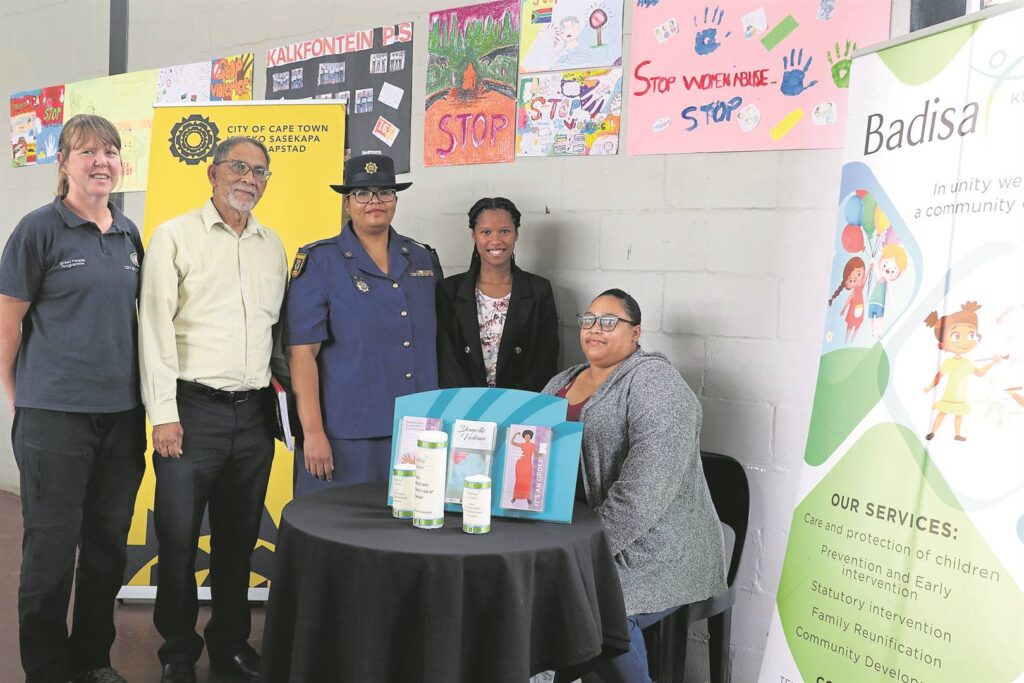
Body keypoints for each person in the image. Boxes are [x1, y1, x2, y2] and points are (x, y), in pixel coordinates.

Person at [0, 114, 144, 683]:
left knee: (107, 547)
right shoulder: (38, 230)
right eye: (87, 152)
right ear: (63, 163)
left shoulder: (129, 234)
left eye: (109, 151)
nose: (100, 162)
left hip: (122, 417)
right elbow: (7, 325)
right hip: (54, 417)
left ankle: (93, 660)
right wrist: (18, 397)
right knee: (51, 551)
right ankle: (46, 670)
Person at [139, 137, 288, 683]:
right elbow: (154, 328)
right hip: (190, 412)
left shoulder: (273, 245)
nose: (249, 179)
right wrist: (163, 414)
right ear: (212, 173)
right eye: (239, 167)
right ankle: (177, 652)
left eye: (260, 171)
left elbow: (277, 334)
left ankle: (229, 643)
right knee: (178, 540)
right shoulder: (174, 237)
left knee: (238, 540)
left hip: (253, 416)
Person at [542, 289, 727, 683]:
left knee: (593, 602)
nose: (595, 328)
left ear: (635, 332)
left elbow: (642, 495)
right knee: (528, 585)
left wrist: (582, 552)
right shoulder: (563, 380)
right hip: (577, 536)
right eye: (589, 319)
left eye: (609, 321)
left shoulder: (656, 384)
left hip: (659, 548)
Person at [284, 154, 441, 495]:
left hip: (416, 429)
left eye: (385, 192)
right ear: (347, 203)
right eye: (362, 194)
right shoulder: (320, 261)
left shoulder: (422, 258)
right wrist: (313, 432)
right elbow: (302, 354)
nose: (375, 201)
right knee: (334, 525)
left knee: (412, 523)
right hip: (346, 434)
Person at [436, 197, 558, 391]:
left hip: (521, 402)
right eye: (486, 232)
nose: (496, 240)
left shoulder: (539, 290)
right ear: (474, 235)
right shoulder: (449, 290)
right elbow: (447, 359)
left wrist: (513, 402)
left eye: (504, 231)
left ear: (516, 234)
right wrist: (469, 403)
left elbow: (546, 358)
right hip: (464, 402)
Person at [923, 301, 1002, 441]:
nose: (965, 341)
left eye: (971, 335)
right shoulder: (949, 362)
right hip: (949, 396)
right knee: (943, 413)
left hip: (961, 397)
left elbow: (979, 373)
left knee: (959, 415)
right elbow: (939, 376)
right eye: (956, 336)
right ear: (943, 344)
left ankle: (957, 434)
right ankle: (933, 432)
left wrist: (993, 362)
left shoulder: (967, 363)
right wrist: (929, 387)